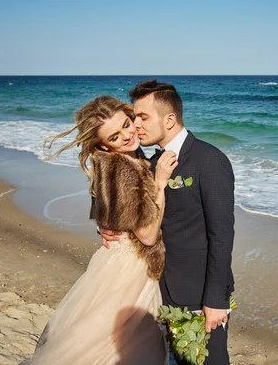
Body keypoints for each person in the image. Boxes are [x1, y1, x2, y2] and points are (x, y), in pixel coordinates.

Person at [22, 96, 177, 365]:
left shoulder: (116, 162)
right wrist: (161, 183)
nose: (127, 136)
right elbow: (148, 236)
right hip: (131, 271)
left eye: (127, 125)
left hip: (115, 263)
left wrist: (105, 224)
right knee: (127, 348)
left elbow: (109, 206)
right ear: (104, 145)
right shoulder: (125, 169)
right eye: (115, 137)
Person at [100, 80, 235, 365]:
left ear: (169, 119)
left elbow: (221, 236)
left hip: (199, 295)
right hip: (160, 292)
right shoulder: (151, 165)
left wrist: (215, 300)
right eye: (135, 118)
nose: (136, 125)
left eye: (143, 118)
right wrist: (108, 227)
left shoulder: (209, 161)